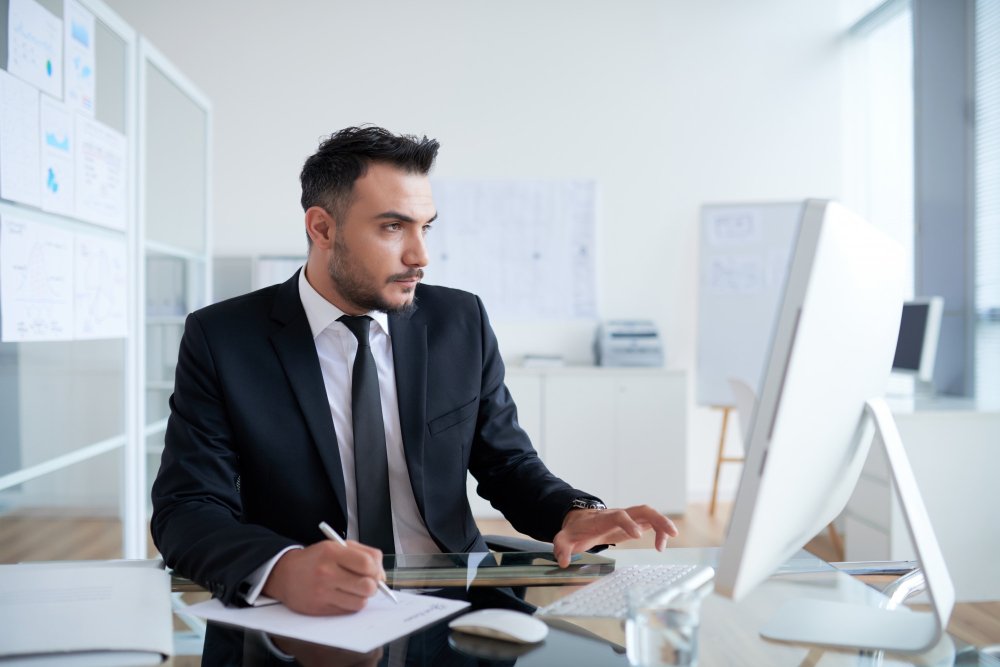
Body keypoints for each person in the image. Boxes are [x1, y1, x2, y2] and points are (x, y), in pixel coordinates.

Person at [151, 125, 677, 616]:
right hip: (306, 608)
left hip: (456, 599)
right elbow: (187, 507)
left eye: (425, 227)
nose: (420, 254)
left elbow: (508, 465)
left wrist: (573, 512)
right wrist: (282, 569)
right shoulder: (224, 338)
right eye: (392, 227)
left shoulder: (458, 320)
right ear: (322, 227)